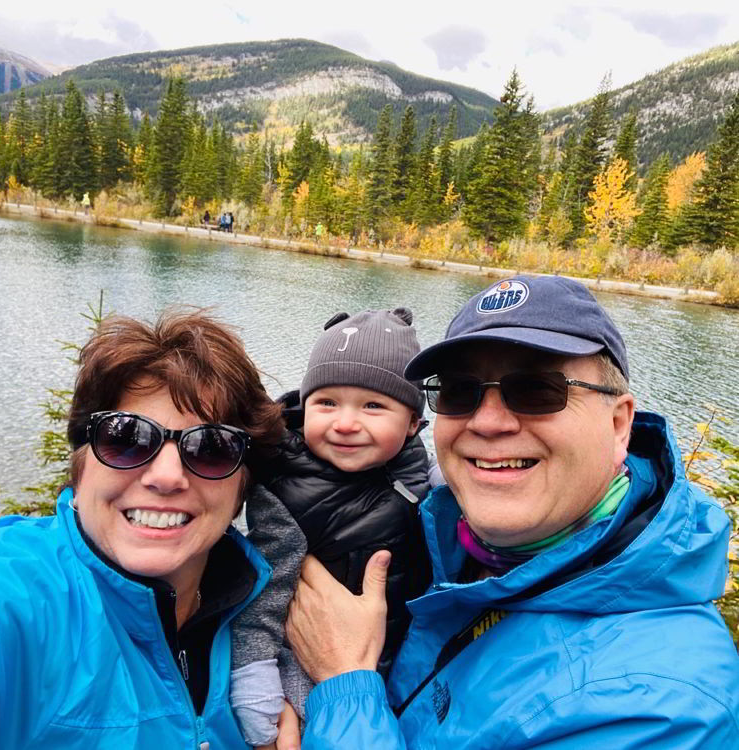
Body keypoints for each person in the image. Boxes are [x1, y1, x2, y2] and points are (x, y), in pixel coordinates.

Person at [288, 275, 739, 748]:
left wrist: (345, 682)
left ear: (618, 423)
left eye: (538, 390)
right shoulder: (450, 543)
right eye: (460, 392)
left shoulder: (662, 708)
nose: (487, 421)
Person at [0, 310, 302, 750]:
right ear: (81, 467)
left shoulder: (276, 615)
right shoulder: (11, 594)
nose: (166, 476)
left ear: (244, 487)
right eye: (126, 438)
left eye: (211, 448)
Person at [230, 308, 432, 747]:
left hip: (395, 664)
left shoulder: (425, 480)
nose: (344, 423)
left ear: (414, 423)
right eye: (326, 403)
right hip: (299, 665)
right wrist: (254, 679)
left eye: (373, 406)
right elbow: (260, 592)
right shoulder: (286, 490)